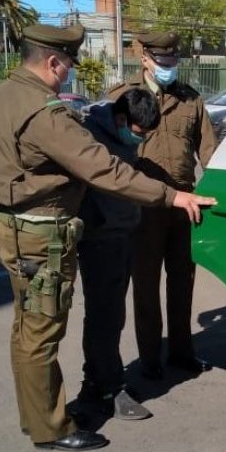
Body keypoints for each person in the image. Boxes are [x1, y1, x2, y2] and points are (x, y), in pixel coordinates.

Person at [0, 23, 215, 452]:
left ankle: (43, 413)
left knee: (28, 329)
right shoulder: (46, 112)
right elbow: (103, 170)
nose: (68, 72)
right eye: (67, 63)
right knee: (40, 333)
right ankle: (50, 427)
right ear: (52, 61)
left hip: (13, 226)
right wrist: (170, 196)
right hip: (41, 231)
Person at [107, 31, 216, 381]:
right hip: (143, 208)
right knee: (146, 285)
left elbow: (209, 153)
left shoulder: (190, 100)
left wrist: (220, 191)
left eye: (173, 62)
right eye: (162, 62)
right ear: (145, 60)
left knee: (182, 281)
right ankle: (150, 358)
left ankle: (183, 352)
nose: (169, 67)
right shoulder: (123, 99)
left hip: (185, 206)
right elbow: (108, 157)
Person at [69, 88, 159, 423]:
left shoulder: (122, 134)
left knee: (110, 315)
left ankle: (100, 380)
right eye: (139, 134)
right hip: (100, 237)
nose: (141, 141)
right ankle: (104, 387)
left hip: (122, 233)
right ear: (121, 118)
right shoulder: (90, 136)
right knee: (104, 316)